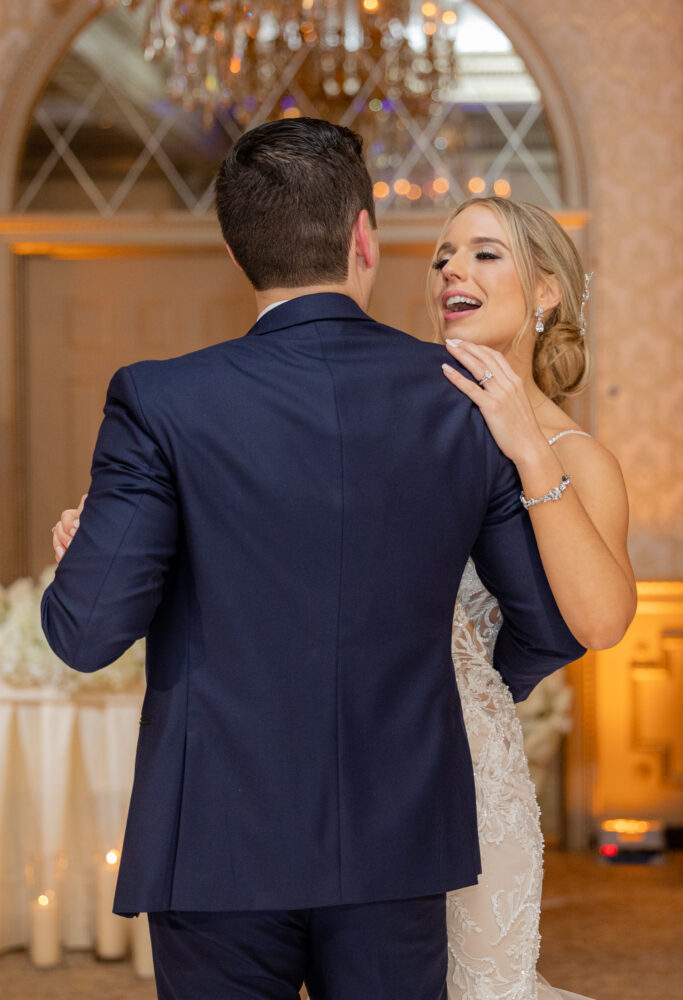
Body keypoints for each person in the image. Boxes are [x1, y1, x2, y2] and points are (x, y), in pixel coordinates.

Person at [43, 118, 584, 1000]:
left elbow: (87, 635)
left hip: (215, 844)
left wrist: (94, 563)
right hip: (401, 833)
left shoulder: (159, 398)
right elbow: (546, 626)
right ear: (363, 235)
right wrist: (454, 695)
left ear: (234, 249)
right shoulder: (464, 399)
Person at [430, 196, 636, 999]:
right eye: (445, 254)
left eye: (484, 253)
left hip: (476, 776)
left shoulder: (575, 456)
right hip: (362, 761)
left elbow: (603, 620)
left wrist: (524, 445)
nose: (451, 267)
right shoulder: (403, 422)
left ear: (545, 292)